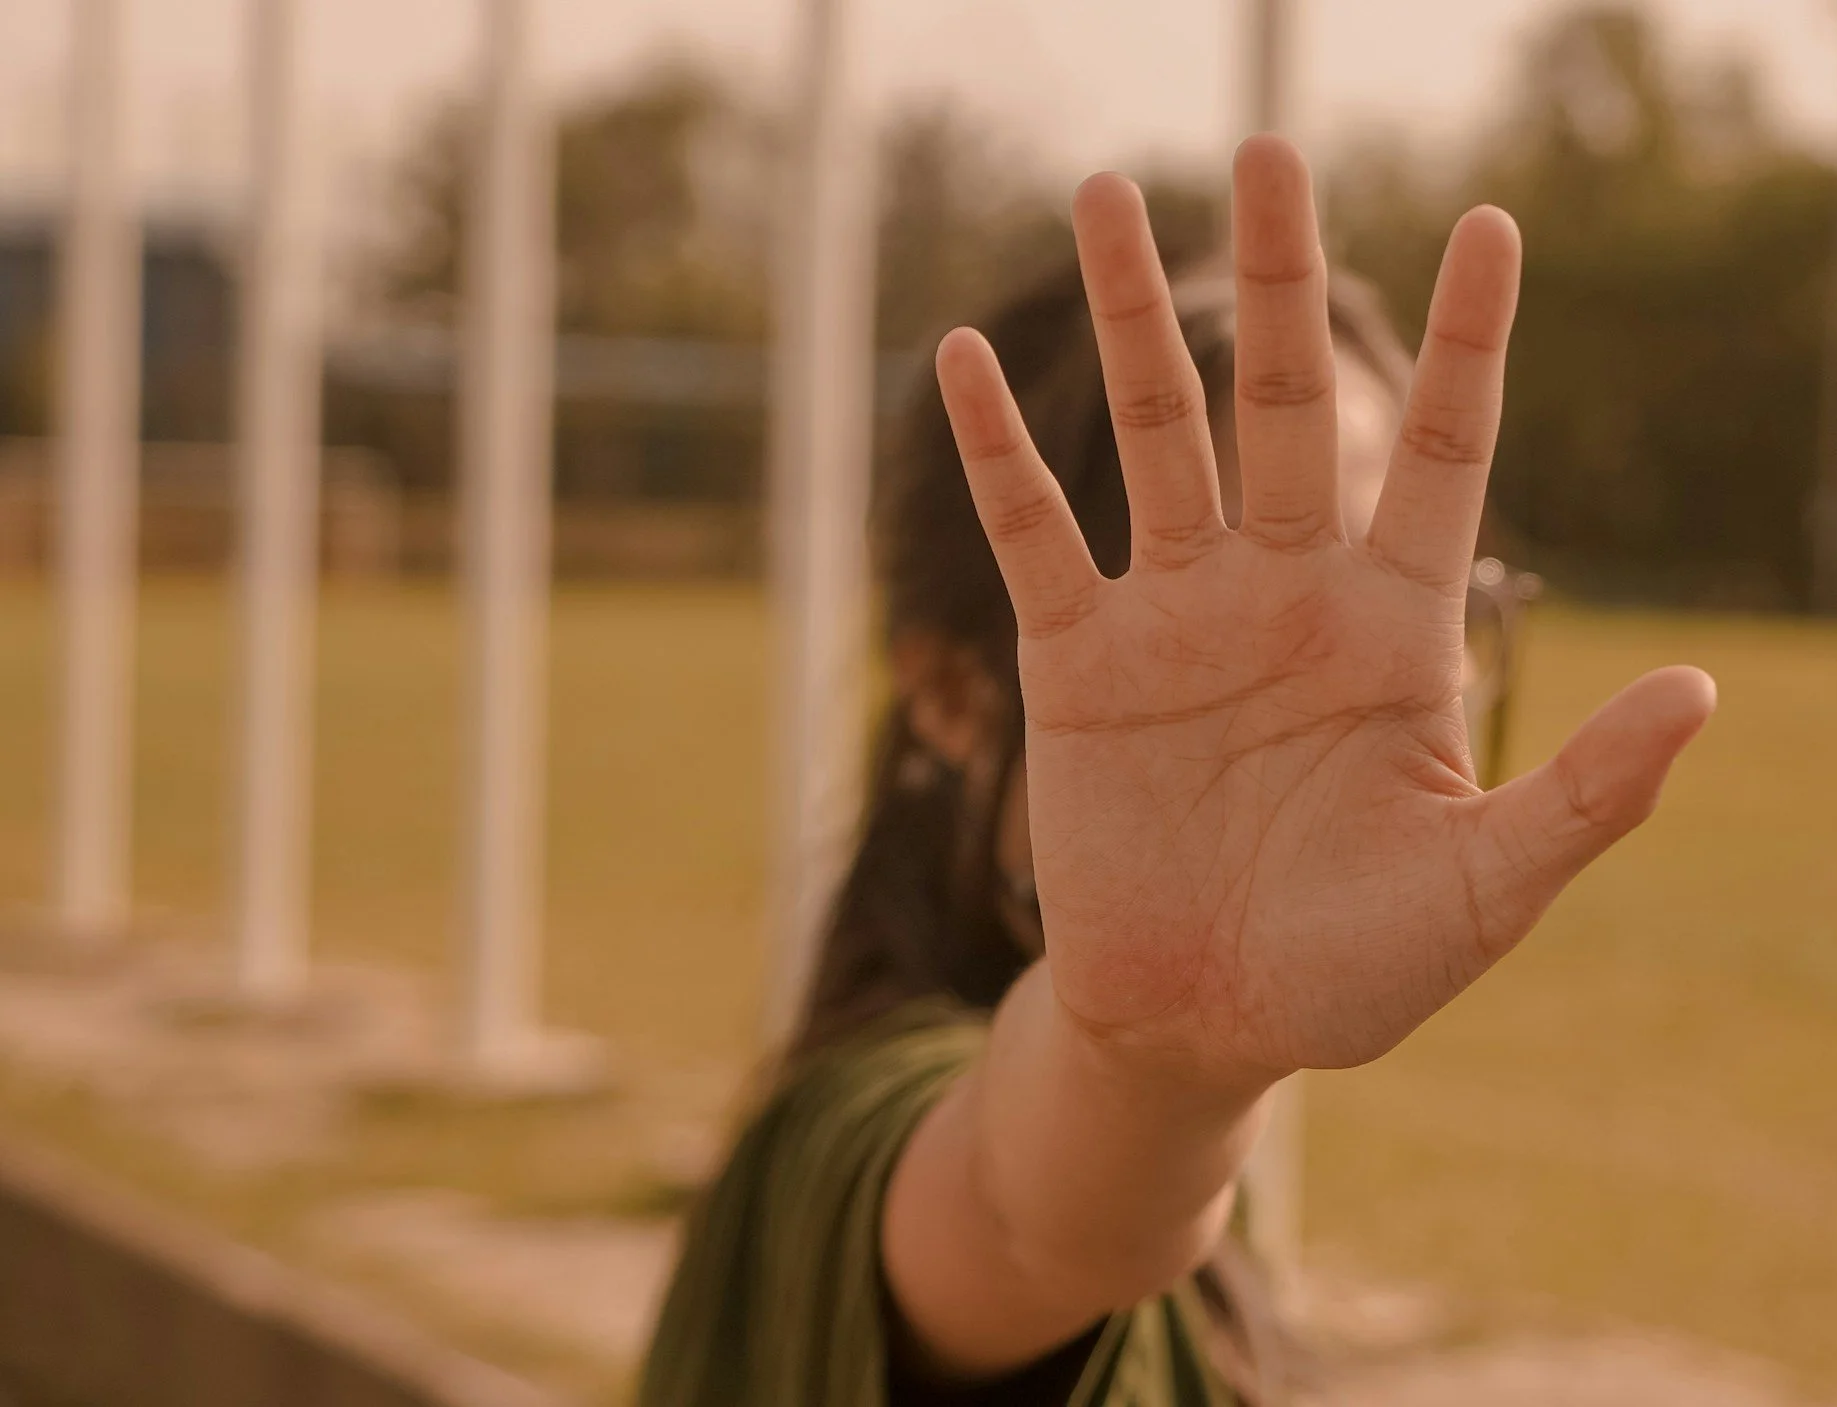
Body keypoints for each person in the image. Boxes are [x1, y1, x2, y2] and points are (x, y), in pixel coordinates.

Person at [639, 135, 1716, 1407]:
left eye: (1407, 593)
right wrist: (1151, 1071)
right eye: (1240, 612)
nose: (1371, 687)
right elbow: (1025, 1218)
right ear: (946, 693)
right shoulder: (842, 1154)